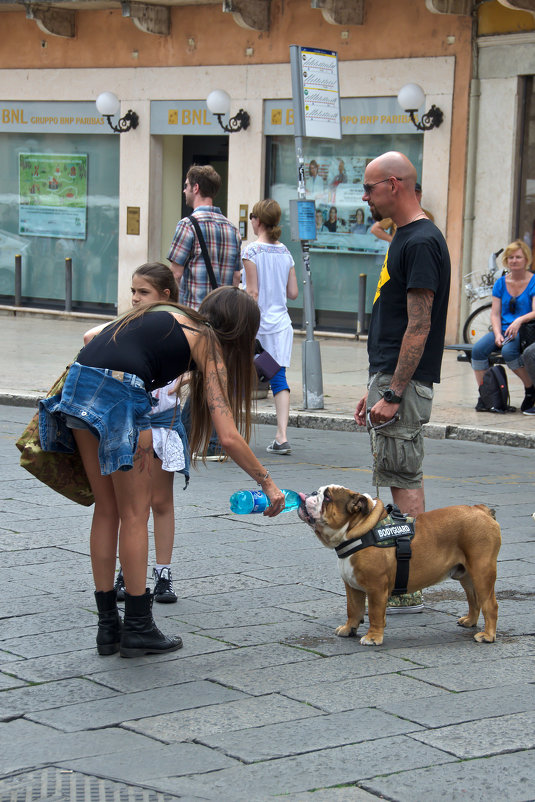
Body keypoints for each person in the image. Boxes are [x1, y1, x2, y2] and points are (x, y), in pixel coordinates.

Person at [39, 286, 286, 658]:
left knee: (106, 509)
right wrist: (268, 483)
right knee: (135, 513)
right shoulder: (206, 340)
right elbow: (229, 437)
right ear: (241, 330)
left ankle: (108, 628)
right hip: (121, 391)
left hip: (80, 381)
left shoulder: (168, 315)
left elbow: (97, 341)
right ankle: (138, 627)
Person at [354, 152, 451, 613]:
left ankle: (408, 580)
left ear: (394, 185)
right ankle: (408, 577)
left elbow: (419, 324)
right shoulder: (407, 237)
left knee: (402, 478)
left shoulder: (420, 241)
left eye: (370, 187)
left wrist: (393, 392)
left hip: (403, 383)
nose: (366, 196)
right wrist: (375, 387)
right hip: (392, 377)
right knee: (397, 472)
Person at [84, 262, 190, 605]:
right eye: (132, 291)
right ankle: (128, 574)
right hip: (134, 424)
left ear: (165, 295)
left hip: (163, 423)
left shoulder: (177, 326)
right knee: (133, 508)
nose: (134, 298)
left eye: (143, 292)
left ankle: (163, 573)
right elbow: (89, 337)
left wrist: (189, 376)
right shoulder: (130, 324)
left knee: (160, 502)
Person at [167, 164, 242, 459]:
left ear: (196, 188)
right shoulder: (232, 229)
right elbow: (235, 279)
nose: (184, 190)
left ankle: (184, 438)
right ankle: (211, 441)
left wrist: (168, 312)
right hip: (225, 319)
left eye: (186, 185)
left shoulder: (188, 225)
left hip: (195, 316)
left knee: (199, 378)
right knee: (212, 376)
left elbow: (173, 274)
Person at [242, 199, 298, 455]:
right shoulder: (285, 252)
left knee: (237, 375)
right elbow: (293, 293)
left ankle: (230, 433)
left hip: (259, 324)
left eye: (252, 216)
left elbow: (252, 293)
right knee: (279, 378)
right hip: (282, 325)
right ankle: (281, 436)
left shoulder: (251, 251)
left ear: (258, 221)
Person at [471, 240, 535, 412]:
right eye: (511, 257)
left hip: (524, 329)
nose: (514, 260)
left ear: (526, 259)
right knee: (477, 350)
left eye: (518, 257)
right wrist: (498, 333)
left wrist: (518, 320)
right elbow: (495, 313)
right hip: (503, 329)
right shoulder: (501, 283)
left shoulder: (533, 281)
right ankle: (486, 395)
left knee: (508, 351)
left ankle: (530, 390)